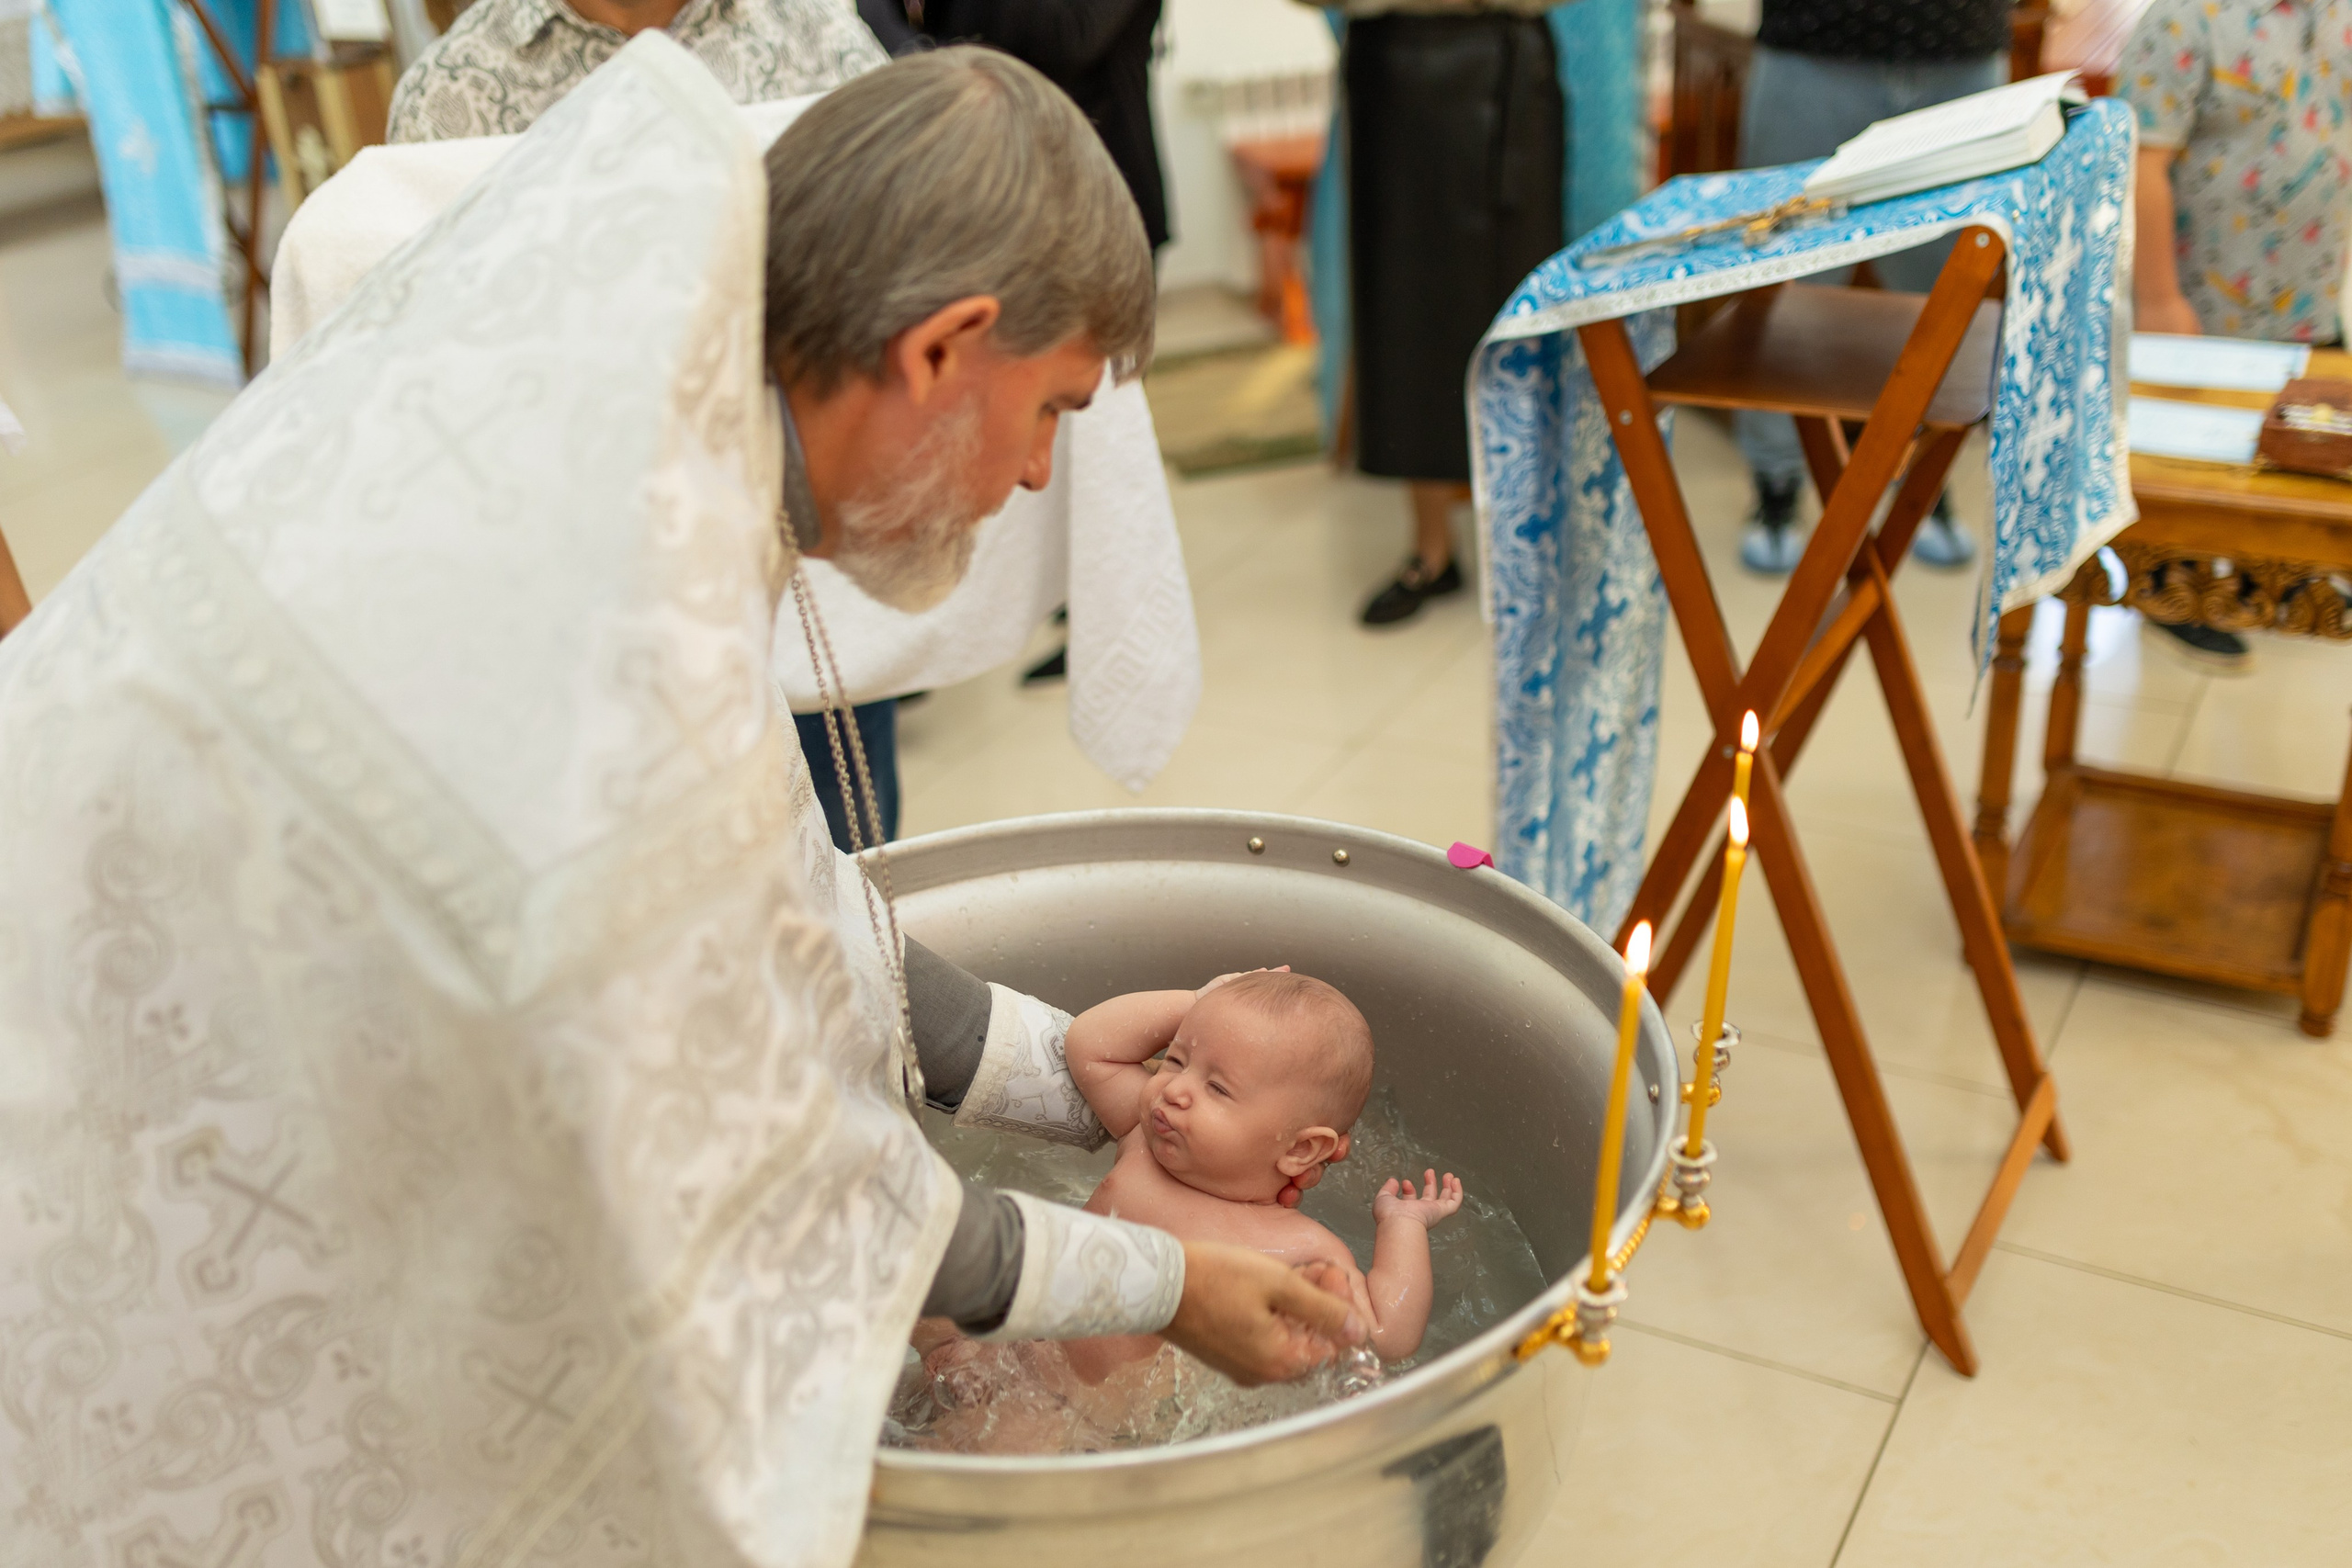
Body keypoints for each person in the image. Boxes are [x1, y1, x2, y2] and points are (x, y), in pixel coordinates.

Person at [0, 42, 1357, 1568]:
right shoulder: (628, 619)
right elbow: (797, 1197)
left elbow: (773, 908)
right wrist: (1170, 1284)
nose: (1040, 478)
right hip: (121, 1109)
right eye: (1047, 411)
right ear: (940, 349)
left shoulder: (657, 385)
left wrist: (1078, 1078)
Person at [389, 0, 902, 850]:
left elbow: (908, 268)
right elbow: (428, 367)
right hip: (586, 601)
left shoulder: (816, 38)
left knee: (852, 861)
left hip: (799, 576)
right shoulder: (454, 95)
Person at [909, 968, 1464, 1453]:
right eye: (1175, 1059)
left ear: (1300, 1149)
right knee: (900, 1287)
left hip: (1073, 1411)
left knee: (963, 1473)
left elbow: (1386, 1335)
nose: (1174, 1090)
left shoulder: (1304, 1251)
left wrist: (1403, 1226)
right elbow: (1089, 1044)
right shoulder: (1144, 1140)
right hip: (1013, 1328)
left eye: (1218, 1089)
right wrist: (1197, 1000)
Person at [858, 0, 1170, 687]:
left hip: (1099, 190)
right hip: (981, 209)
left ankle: (1100, 625)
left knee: (1085, 444)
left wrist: (938, 37)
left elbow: (1067, 35)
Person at [1315, 0, 1645, 627]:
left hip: (1506, 80)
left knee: (1517, 318)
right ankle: (1431, 549)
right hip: (1392, 85)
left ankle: (1536, 547)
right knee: (1404, 315)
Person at [1729, 0, 2008, 577]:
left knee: (1945, 286)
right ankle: (1776, 481)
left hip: (1959, 48)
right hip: (1814, 44)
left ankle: (1924, 476)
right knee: (1783, 280)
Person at [2117, 0, 2352, 671]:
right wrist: (2159, 297)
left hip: (2308, 289)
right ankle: (2168, 588)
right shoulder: (2184, 19)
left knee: (2296, 438)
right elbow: (2142, 161)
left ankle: (2269, 574)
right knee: (2196, 455)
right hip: (2207, 297)